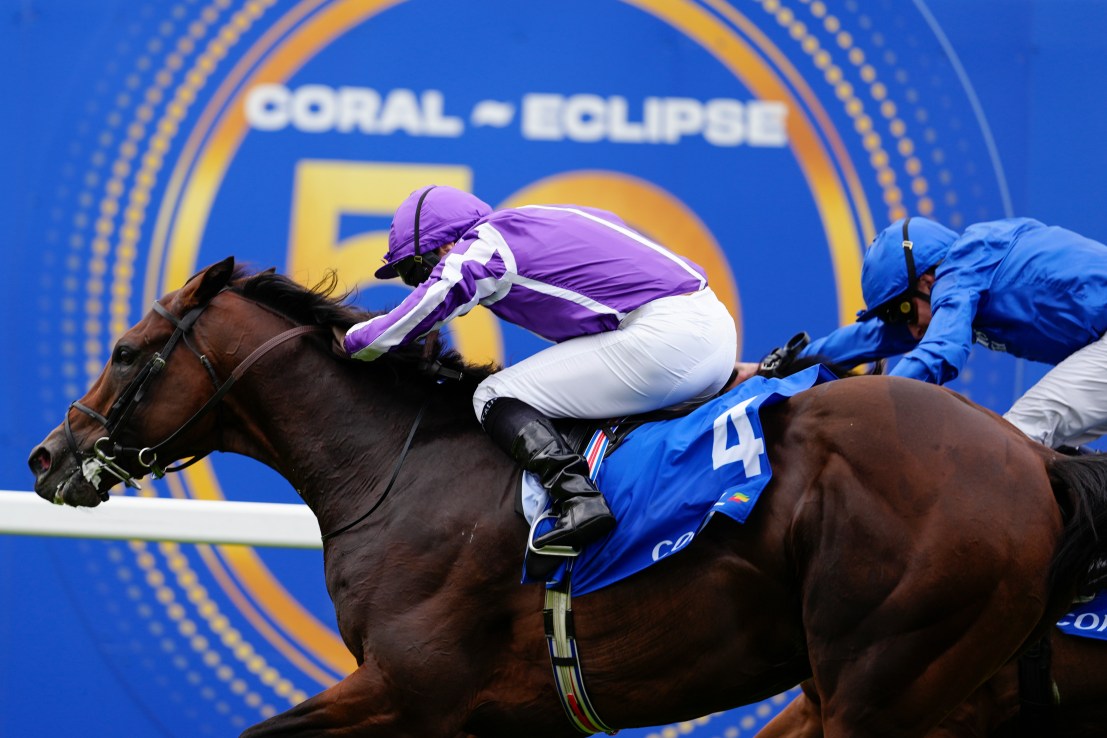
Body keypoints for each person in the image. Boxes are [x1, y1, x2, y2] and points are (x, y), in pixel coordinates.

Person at [338, 185, 738, 551]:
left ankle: (577, 498)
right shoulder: (544, 219)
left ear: (445, 245)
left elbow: (419, 310)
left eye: (414, 272)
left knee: (493, 394)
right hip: (713, 331)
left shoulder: (483, 244)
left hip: (667, 342)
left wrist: (347, 340)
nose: (418, 285)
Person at [799, 215, 1107, 450]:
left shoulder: (960, 271)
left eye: (901, 312)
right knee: (1051, 455)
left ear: (927, 282)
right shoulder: (965, 274)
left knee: (1015, 439)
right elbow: (875, 337)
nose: (909, 328)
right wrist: (789, 363)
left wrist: (866, 409)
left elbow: (941, 351)